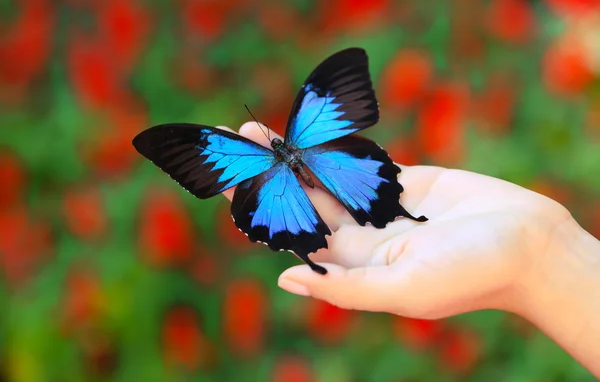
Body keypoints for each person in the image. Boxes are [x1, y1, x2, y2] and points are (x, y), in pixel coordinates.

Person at [220, 122, 600, 377]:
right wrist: (548, 256)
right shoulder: (303, 130)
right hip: (324, 170)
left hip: (296, 184)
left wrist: (545, 252)